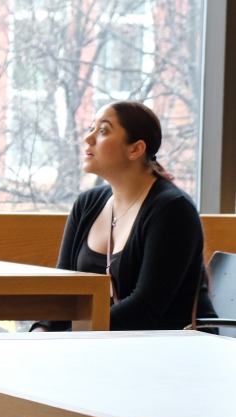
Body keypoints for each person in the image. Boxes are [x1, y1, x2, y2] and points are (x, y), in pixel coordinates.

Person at [31, 100, 215, 332]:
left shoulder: (172, 209)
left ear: (136, 149)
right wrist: (42, 332)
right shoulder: (86, 204)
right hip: (105, 344)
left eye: (103, 131)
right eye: (91, 128)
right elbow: (63, 292)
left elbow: (146, 307)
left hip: (171, 346)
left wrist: (68, 339)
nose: (88, 139)